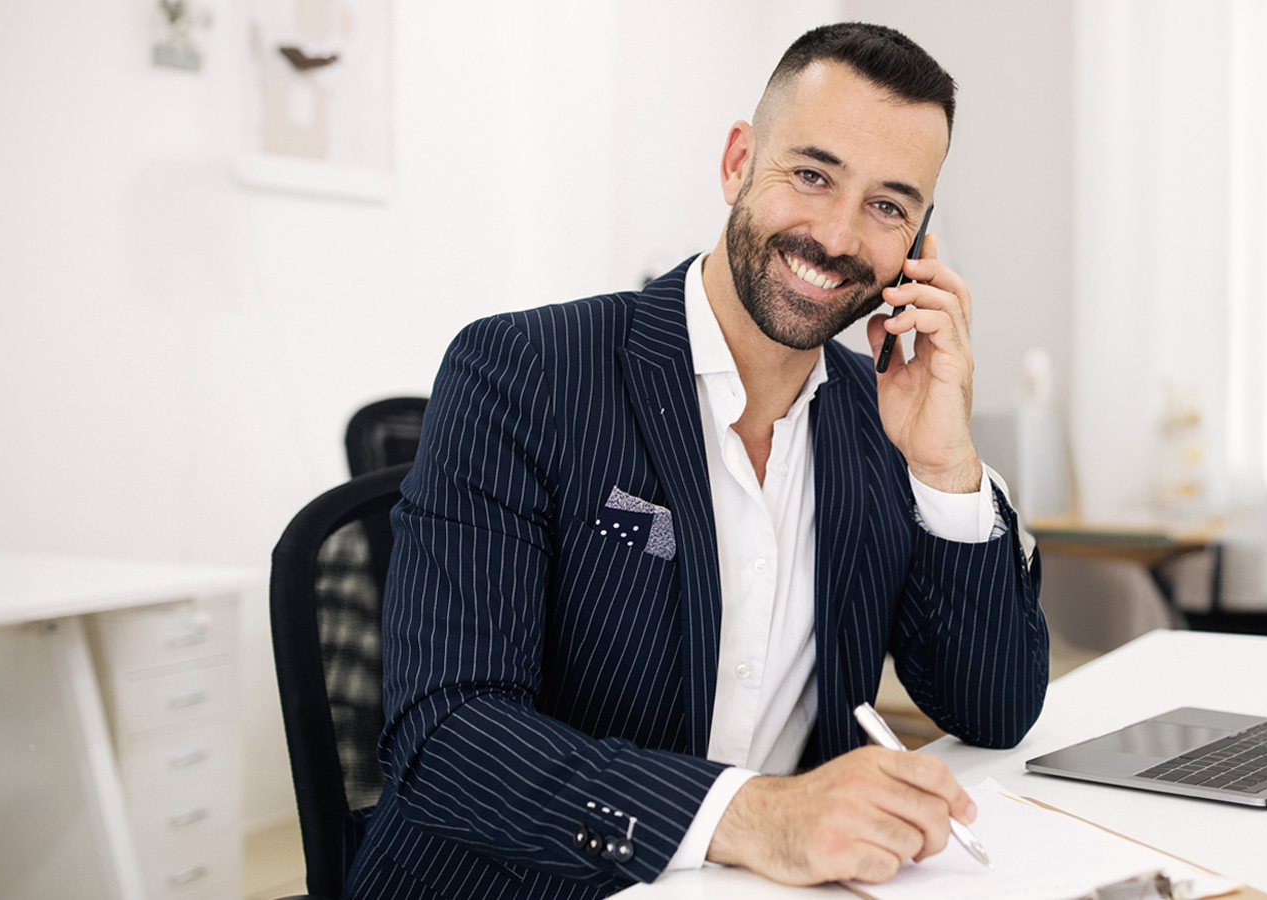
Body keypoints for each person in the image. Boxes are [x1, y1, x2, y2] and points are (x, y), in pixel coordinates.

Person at [345, 23, 1047, 897]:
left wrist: (945, 468)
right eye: (813, 175)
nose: (837, 235)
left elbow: (994, 710)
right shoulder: (522, 371)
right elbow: (446, 733)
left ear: (918, 245)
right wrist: (757, 816)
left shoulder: (883, 421)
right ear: (738, 163)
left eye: (888, 207)